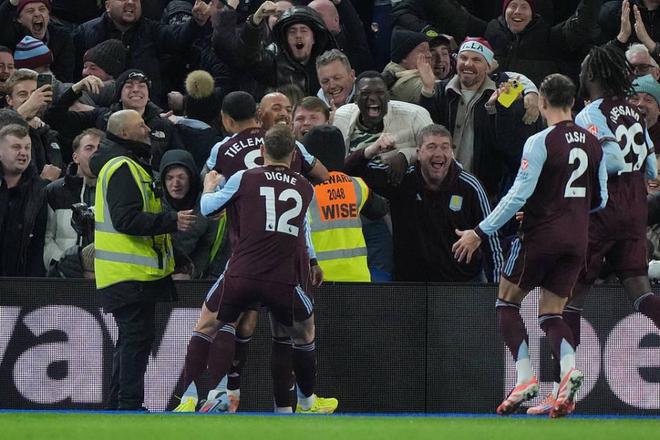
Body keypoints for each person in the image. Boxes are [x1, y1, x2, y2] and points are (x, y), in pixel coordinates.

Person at [452, 73, 608, 417]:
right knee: (552, 313)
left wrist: (479, 232)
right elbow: (601, 199)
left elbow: (517, 194)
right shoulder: (593, 142)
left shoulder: (540, 141)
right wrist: (566, 209)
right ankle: (568, 370)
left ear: (543, 102)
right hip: (577, 238)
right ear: (573, 102)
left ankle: (524, 378)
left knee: (506, 302)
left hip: (541, 236)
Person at [178, 91, 327, 413]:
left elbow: (208, 209)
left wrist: (209, 187)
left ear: (262, 152)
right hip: (283, 277)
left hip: (242, 269)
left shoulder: (242, 175)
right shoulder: (304, 186)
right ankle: (304, 403)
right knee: (301, 334)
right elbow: (304, 227)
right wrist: (313, 260)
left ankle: (190, 398)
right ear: (294, 154)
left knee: (208, 326)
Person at [536, 45, 660, 416]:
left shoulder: (591, 112)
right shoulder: (634, 112)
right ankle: (563, 389)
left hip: (604, 207)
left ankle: (563, 390)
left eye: (584, 68)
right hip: (636, 206)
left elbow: (612, 159)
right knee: (639, 289)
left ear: (591, 75)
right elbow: (651, 164)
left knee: (567, 298)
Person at [91, 109, 196, 410]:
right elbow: (126, 219)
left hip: (131, 271)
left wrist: (175, 254)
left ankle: (119, 405)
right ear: (124, 133)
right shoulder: (123, 166)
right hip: (129, 272)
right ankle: (128, 404)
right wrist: (172, 221)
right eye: (141, 125)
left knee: (132, 338)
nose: (148, 129)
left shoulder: (129, 164)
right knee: (135, 338)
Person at [344, 123, 504, 282]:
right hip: (411, 286)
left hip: (460, 286)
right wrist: (371, 150)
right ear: (418, 154)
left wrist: (497, 291)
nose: (439, 153)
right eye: (431, 147)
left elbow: (493, 240)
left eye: (445, 147)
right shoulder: (401, 180)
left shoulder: (470, 186)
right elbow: (346, 173)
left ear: (452, 153)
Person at [333, 70, 433, 280]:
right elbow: (336, 169)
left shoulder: (414, 115)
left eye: (379, 92)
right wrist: (369, 151)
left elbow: (438, 151)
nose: (372, 98)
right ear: (355, 97)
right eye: (365, 93)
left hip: (398, 206)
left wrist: (405, 155)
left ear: (388, 96)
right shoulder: (342, 116)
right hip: (352, 206)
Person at [418, 37, 541, 200]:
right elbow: (427, 131)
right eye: (463, 58)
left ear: (489, 66)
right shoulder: (441, 90)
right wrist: (427, 91)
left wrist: (498, 109)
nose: (468, 64)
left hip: (485, 191)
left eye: (476, 60)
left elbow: (511, 149)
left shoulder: (503, 95)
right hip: (440, 186)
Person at [73, 0, 212, 104]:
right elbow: (73, 74)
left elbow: (177, 37)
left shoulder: (152, 30)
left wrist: (196, 22)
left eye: (136, 0)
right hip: (97, 107)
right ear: (107, 5)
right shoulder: (85, 33)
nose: (130, 2)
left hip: (146, 108)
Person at [304, 125, 381, 282]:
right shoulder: (357, 185)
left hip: (317, 279)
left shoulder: (303, 189)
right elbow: (380, 210)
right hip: (357, 279)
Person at [236, 3, 336, 95]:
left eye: (304, 31)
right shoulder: (273, 59)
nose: (298, 35)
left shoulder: (326, 61)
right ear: (286, 39)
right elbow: (250, 55)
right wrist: (255, 21)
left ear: (314, 38)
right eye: (292, 31)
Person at [44, 128, 103, 277]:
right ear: (76, 157)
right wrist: (64, 265)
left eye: (100, 149)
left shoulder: (117, 190)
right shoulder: (54, 191)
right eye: (89, 148)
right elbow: (46, 237)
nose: (95, 153)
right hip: (63, 277)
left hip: (106, 277)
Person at [160, 149, 221, 279]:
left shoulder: (206, 205)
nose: (175, 184)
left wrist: (192, 271)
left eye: (181, 177)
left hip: (189, 275)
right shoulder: (155, 203)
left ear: (191, 178)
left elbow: (206, 245)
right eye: (169, 178)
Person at [0, 122, 49, 276]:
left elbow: (39, 243)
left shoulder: (39, 190)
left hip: (23, 280)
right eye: (16, 147)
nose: (23, 152)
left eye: (27, 147)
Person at [4, 68, 62, 173]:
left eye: (34, 94)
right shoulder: (3, 122)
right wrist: (27, 109)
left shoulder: (46, 131)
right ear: (9, 100)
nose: (31, 99)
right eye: (23, 94)